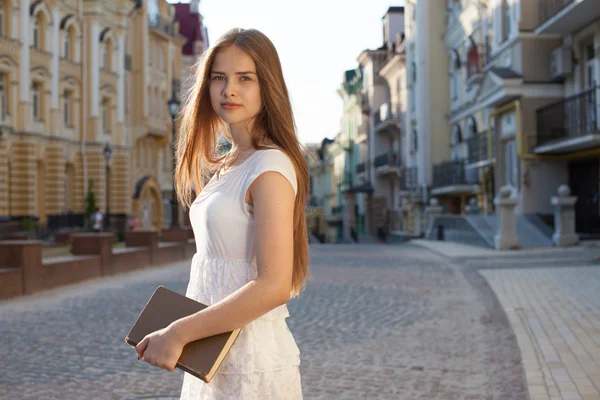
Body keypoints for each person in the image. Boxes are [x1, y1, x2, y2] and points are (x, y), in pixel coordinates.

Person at [134, 28, 310, 400]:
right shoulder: (229, 163)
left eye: (245, 78)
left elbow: (274, 285)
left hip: (251, 364)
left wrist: (178, 333)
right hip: (210, 354)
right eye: (219, 77)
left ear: (267, 85)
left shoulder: (270, 166)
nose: (229, 89)